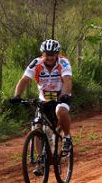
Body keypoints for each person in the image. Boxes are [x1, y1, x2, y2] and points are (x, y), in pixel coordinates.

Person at [11, 39, 74, 175]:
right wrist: (17, 95)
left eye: (53, 54)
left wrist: (65, 95)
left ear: (57, 54)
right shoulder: (36, 63)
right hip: (44, 99)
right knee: (37, 128)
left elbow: (67, 81)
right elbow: (24, 80)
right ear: (42, 54)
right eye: (47, 54)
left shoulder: (63, 62)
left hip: (61, 97)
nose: (50, 57)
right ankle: (41, 161)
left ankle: (67, 137)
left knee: (61, 110)